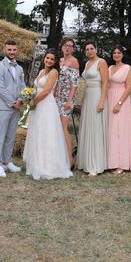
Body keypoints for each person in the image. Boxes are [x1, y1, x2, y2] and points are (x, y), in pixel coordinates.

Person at [22, 49, 73, 180]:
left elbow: (46, 91)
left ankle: (48, 166)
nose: (49, 60)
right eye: (47, 58)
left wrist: (34, 102)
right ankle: (36, 163)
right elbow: (36, 88)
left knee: (46, 133)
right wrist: (29, 96)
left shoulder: (54, 72)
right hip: (37, 104)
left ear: (55, 61)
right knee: (37, 132)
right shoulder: (41, 71)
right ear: (44, 58)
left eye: (52, 59)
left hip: (45, 104)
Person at [0, 39, 26, 178]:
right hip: (4, 107)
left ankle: (7, 161)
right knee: (1, 136)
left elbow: (23, 86)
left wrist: (21, 100)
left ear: (16, 50)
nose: (12, 52)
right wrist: (13, 102)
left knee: (11, 136)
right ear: (4, 50)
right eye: (9, 49)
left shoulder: (19, 68)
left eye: (14, 50)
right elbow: (0, 88)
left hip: (16, 107)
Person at [77, 42, 109, 177]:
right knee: (87, 127)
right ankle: (86, 161)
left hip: (97, 95)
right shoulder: (86, 64)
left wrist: (102, 101)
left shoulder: (101, 62)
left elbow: (106, 82)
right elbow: (86, 84)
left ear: (96, 49)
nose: (89, 51)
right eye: (87, 49)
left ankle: (95, 165)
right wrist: (83, 100)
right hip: (88, 96)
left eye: (91, 49)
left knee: (96, 128)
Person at [106, 45, 131, 174]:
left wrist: (119, 103)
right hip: (109, 98)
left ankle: (122, 163)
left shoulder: (127, 68)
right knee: (111, 130)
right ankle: (111, 161)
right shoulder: (110, 68)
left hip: (121, 100)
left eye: (119, 53)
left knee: (121, 130)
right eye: (114, 52)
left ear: (123, 55)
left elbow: (129, 88)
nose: (116, 54)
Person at [55, 37, 79, 169]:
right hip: (57, 97)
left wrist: (70, 100)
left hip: (66, 99)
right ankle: (60, 157)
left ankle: (70, 160)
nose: (67, 48)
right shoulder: (59, 61)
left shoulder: (74, 61)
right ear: (62, 46)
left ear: (73, 48)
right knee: (58, 128)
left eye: (70, 46)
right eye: (65, 45)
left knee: (64, 128)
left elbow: (75, 84)